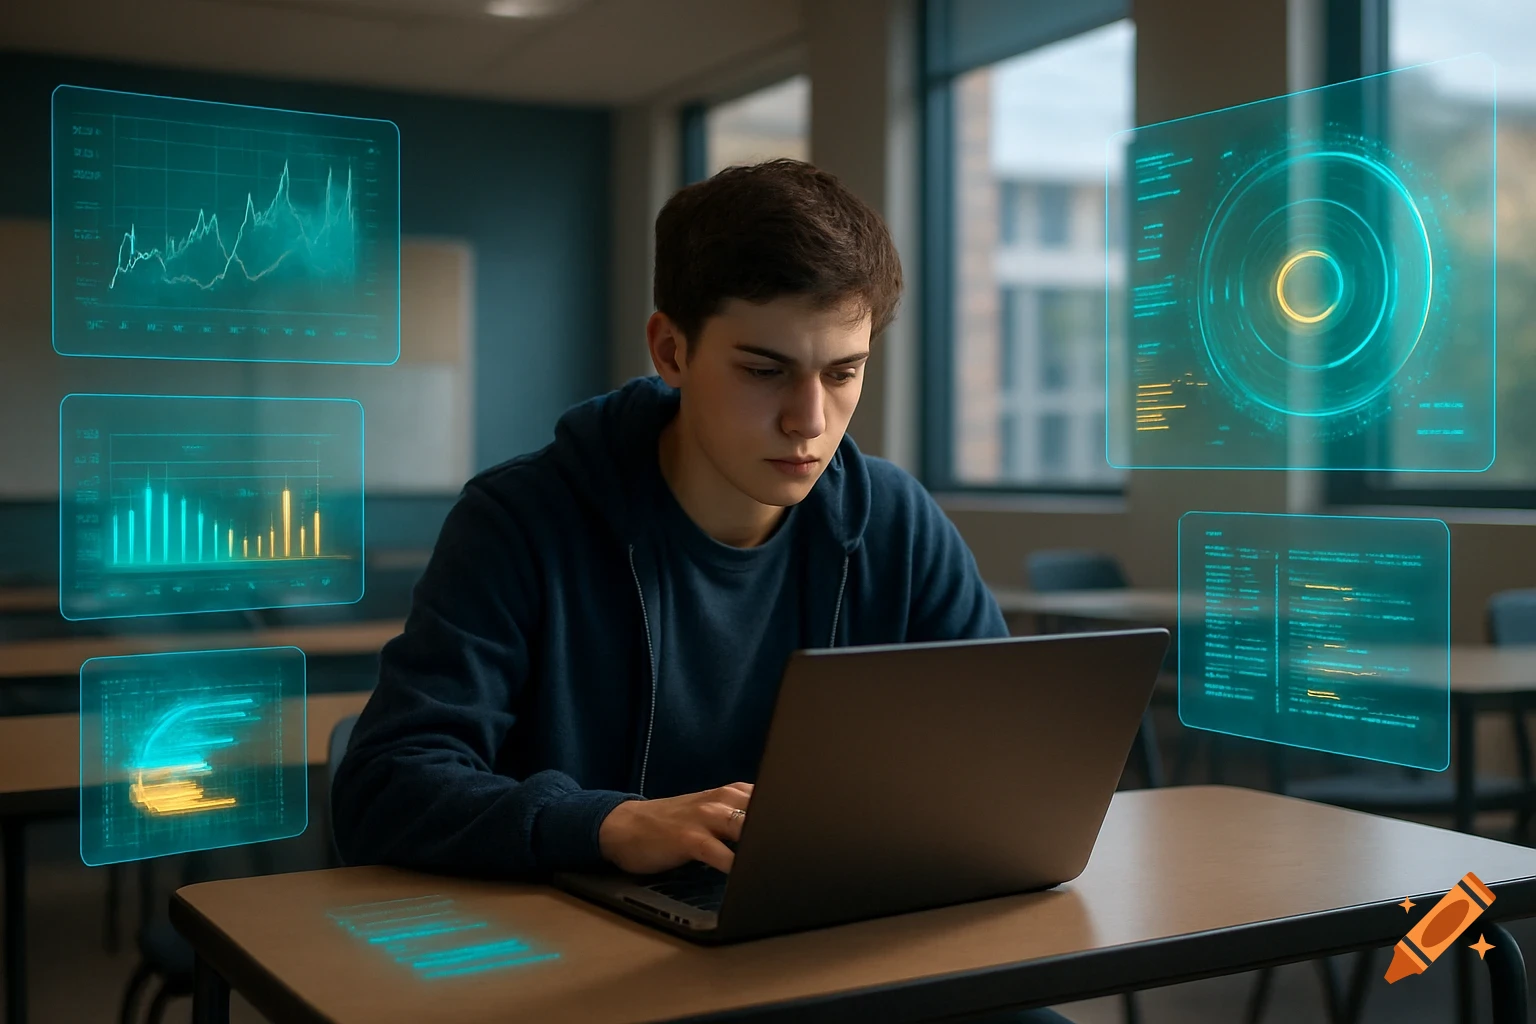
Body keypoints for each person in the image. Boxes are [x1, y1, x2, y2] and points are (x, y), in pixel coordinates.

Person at [333, 159, 1070, 1024]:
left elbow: (1000, 773)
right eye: (764, 371)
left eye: (843, 372)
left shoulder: (895, 521)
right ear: (671, 350)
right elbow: (386, 785)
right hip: (591, 976)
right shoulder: (520, 521)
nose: (810, 421)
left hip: (837, 948)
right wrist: (607, 825)